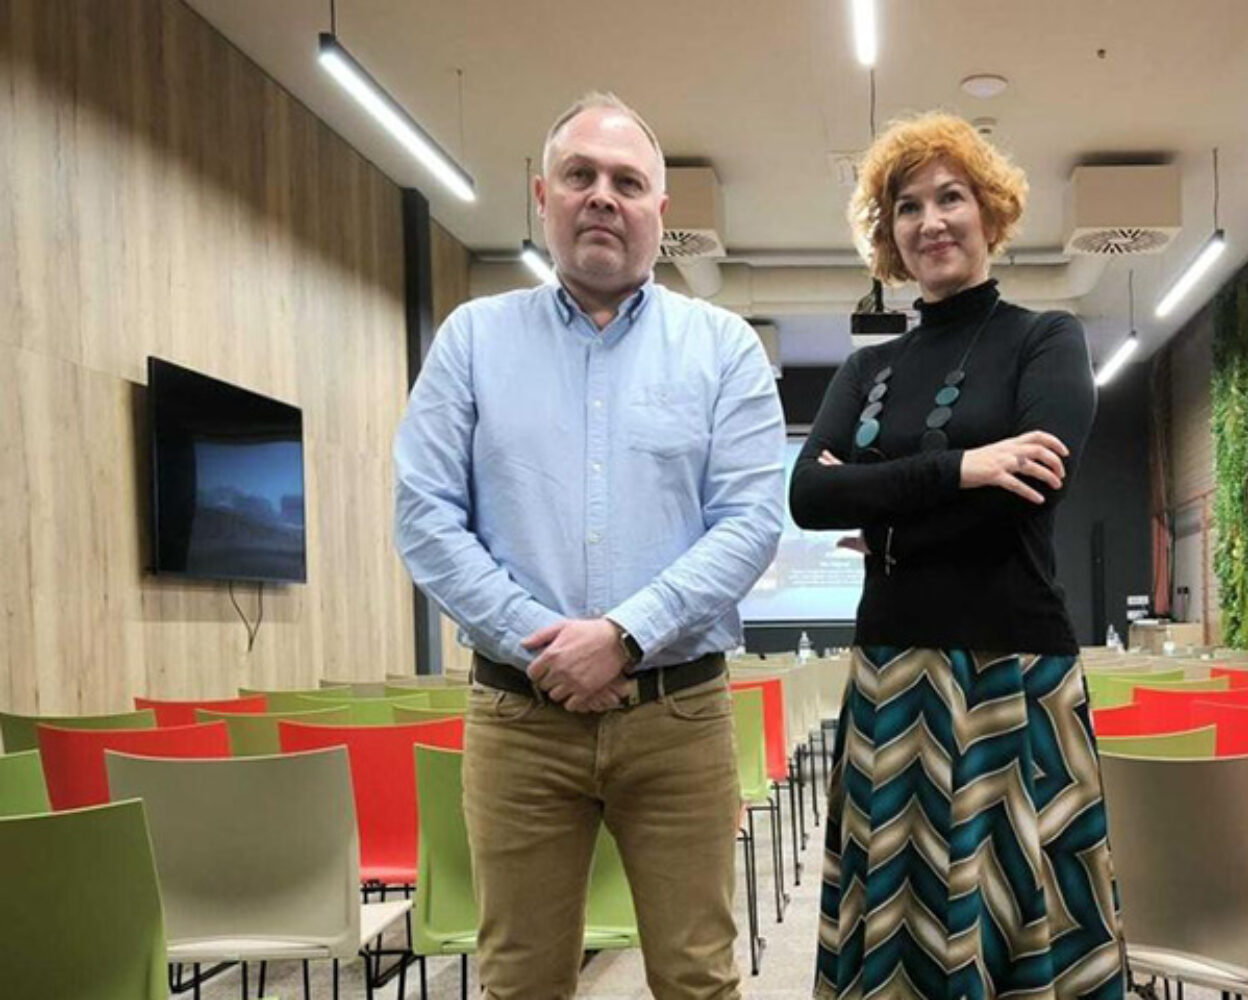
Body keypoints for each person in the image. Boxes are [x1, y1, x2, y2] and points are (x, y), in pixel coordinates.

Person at [394, 92, 785, 1000]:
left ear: (660, 210)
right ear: (543, 196)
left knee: (698, 979)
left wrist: (622, 636)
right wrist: (545, 645)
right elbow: (425, 515)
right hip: (519, 719)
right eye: (580, 176)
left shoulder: (723, 348)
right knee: (520, 981)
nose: (603, 196)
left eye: (627, 182)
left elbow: (750, 521)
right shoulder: (472, 340)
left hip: (678, 717)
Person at [791, 112, 1125, 999]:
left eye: (951, 197)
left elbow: (1033, 488)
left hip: (1013, 670)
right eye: (908, 206)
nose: (931, 220)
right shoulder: (865, 372)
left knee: (1020, 913)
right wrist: (967, 467)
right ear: (890, 234)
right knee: (901, 923)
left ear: (990, 211)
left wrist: (884, 513)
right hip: (893, 671)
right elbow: (809, 497)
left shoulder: (1047, 339)